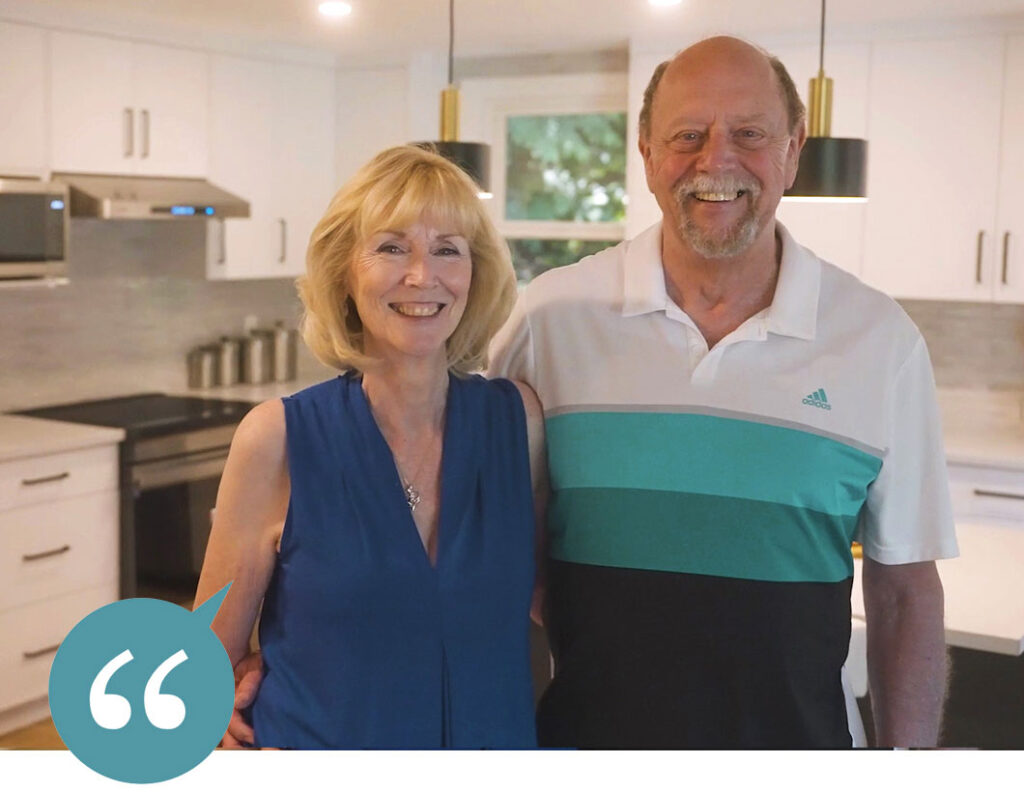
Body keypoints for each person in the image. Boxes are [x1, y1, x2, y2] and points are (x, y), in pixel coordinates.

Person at [487, 36, 958, 749]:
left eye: (750, 134)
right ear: (646, 153)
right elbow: (483, 540)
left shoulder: (880, 341)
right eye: (688, 135)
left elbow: (905, 593)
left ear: (794, 151)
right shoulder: (549, 320)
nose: (717, 160)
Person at [194, 144, 546, 749]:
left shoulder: (519, 424)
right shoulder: (277, 438)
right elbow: (202, 666)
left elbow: (543, 612)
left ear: (475, 274)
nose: (422, 276)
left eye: (447, 250)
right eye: (391, 248)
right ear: (344, 273)